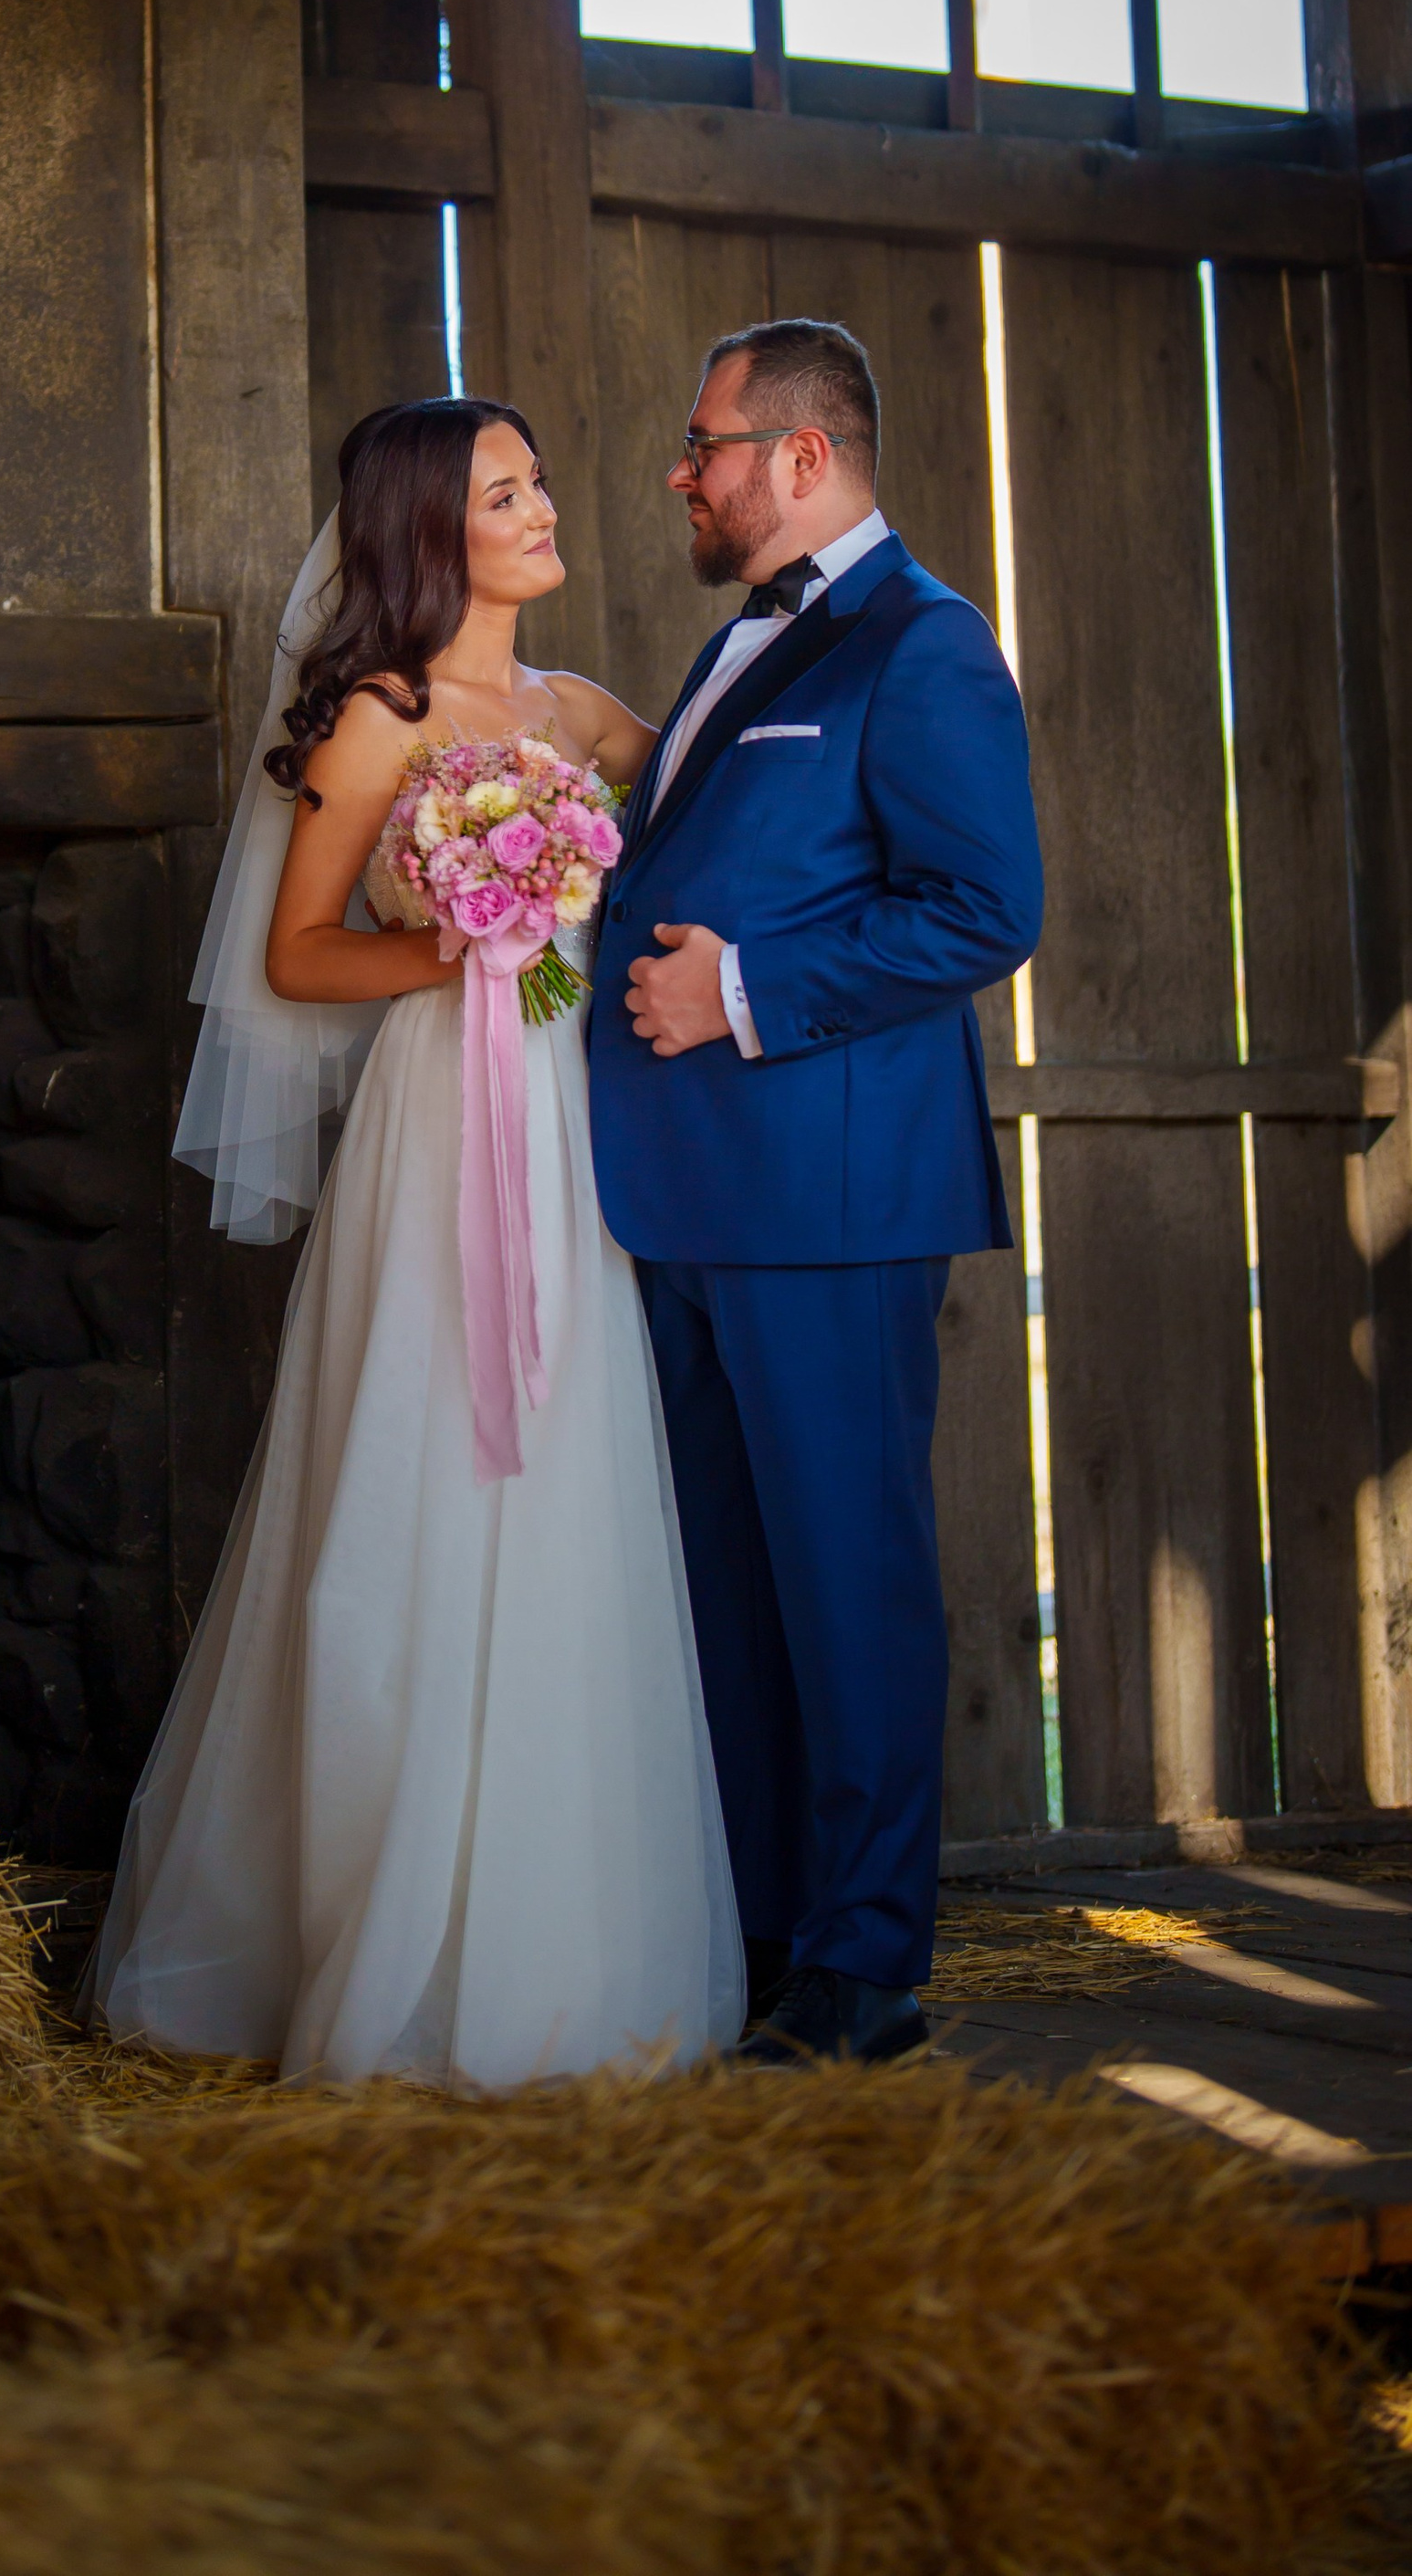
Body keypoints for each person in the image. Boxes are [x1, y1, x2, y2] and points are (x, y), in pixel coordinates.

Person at [84, 397, 742, 2084]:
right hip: (441, 1131)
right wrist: (469, 945)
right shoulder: (374, 723)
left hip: (576, 1138)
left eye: (532, 478)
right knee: (426, 1475)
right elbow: (299, 955)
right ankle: (381, 1949)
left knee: (574, 1484)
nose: (537, 508)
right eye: (497, 493)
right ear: (423, 537)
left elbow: (717, 837)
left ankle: (567, 1952)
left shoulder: (585, 716)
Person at [587, 319, 1042, 2068]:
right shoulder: (736, 642)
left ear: (802, 457)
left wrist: (741, 993)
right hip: (684, 1201)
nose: (683, 474)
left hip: (830, 1198)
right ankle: (764, 1935)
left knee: (847, 1585)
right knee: (729, 1588)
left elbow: (982, 908)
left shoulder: (924, 646)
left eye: (706, 443)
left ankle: (864, 1974)